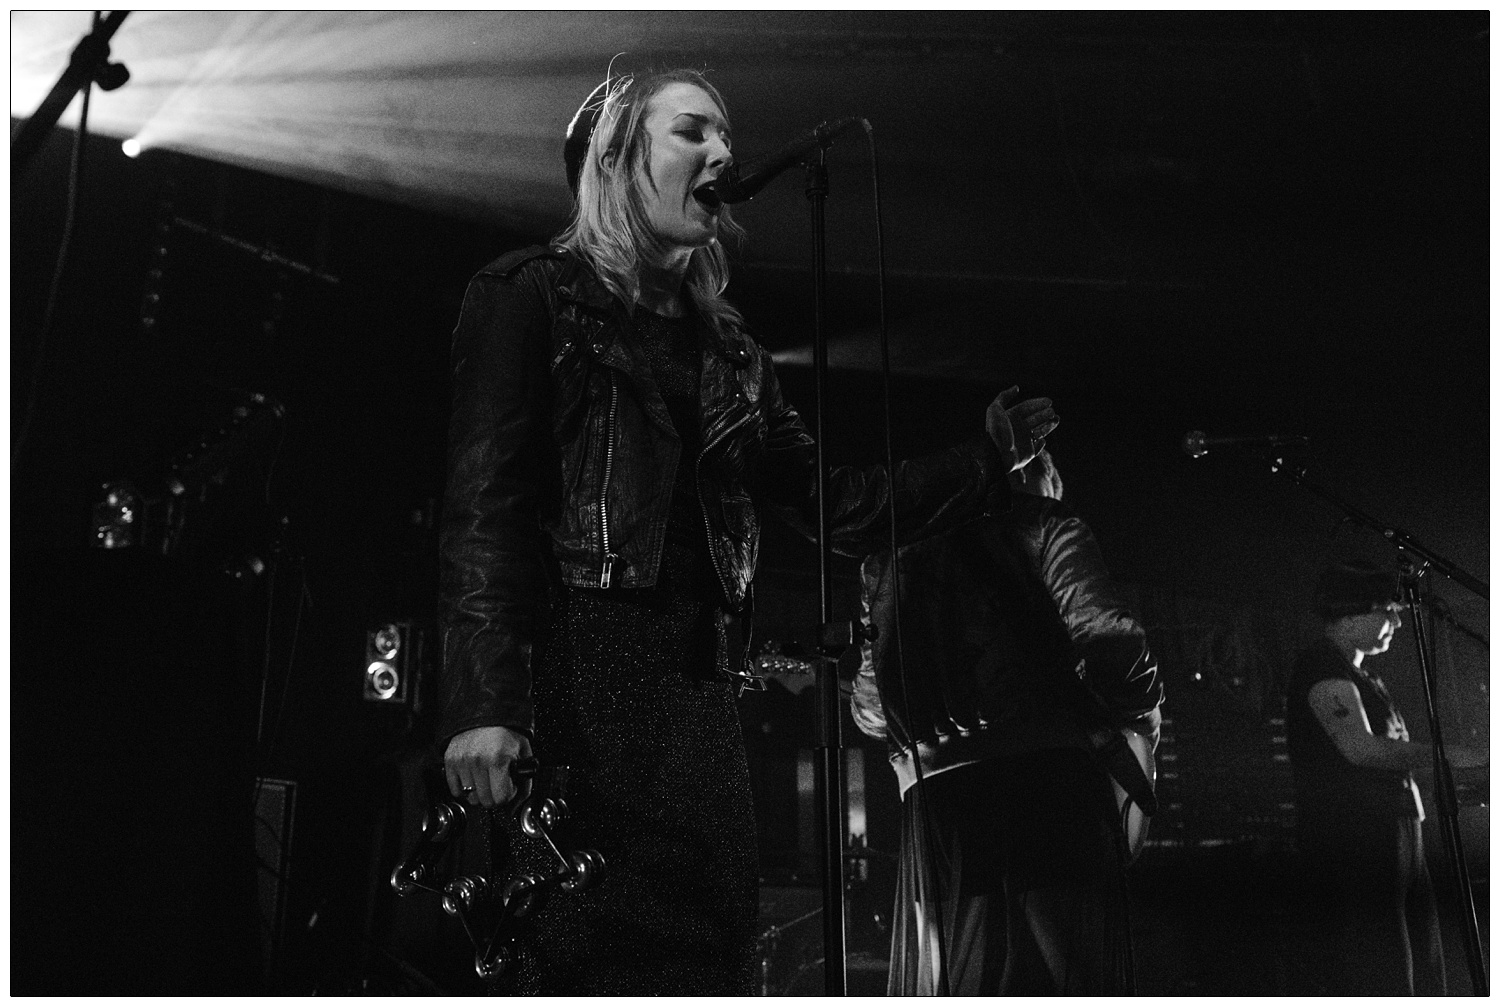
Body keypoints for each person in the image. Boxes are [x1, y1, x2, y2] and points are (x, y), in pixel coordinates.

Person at [435, 68, 1059, 996]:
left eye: (726, 136)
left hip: (697, 703)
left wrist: (985, 461)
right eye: (692, 133)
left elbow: (835, 505)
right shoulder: (530, 298)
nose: (723, 152)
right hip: (575, 687)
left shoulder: (733, 355)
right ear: (618, 158)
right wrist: (485, 702)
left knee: (707, 958)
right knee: (571, 960)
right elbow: (485, 506)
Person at [851, 448, 1163, 995]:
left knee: (963, 987)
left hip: (939, 803)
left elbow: (873, 713)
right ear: (1022, 469)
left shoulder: (888, 560)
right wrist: (1139, 717)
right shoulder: (1045, 524)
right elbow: (1112, 641)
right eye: (1044, 457)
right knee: (1075, 983)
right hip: (1045, 785)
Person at [1285, 558, 1485, 995]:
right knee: (1381, 963)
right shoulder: (1323, 670)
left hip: (1393, 829)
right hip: (1358, 835)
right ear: (1352, 611)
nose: (1397, 620)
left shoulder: (1363, 675)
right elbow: (1361, 748)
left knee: (1420, 956)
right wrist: (1454, 757)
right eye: (1387, 610)